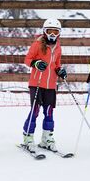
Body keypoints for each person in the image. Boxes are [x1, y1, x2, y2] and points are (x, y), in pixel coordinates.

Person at [22, 18, 67, 152]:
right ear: (44, 31)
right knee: (35, 110)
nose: (52, 34)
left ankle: (46, 138)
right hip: (37, 83)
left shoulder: (58, 47)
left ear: (59, 33)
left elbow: (57, 64)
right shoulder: (37, 44)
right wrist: (35, 63)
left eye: (55, 31)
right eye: (50, 31)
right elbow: (27, 59)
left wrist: (60, 70)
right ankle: (28, 137)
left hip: (51, 85)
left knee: (49, 112)